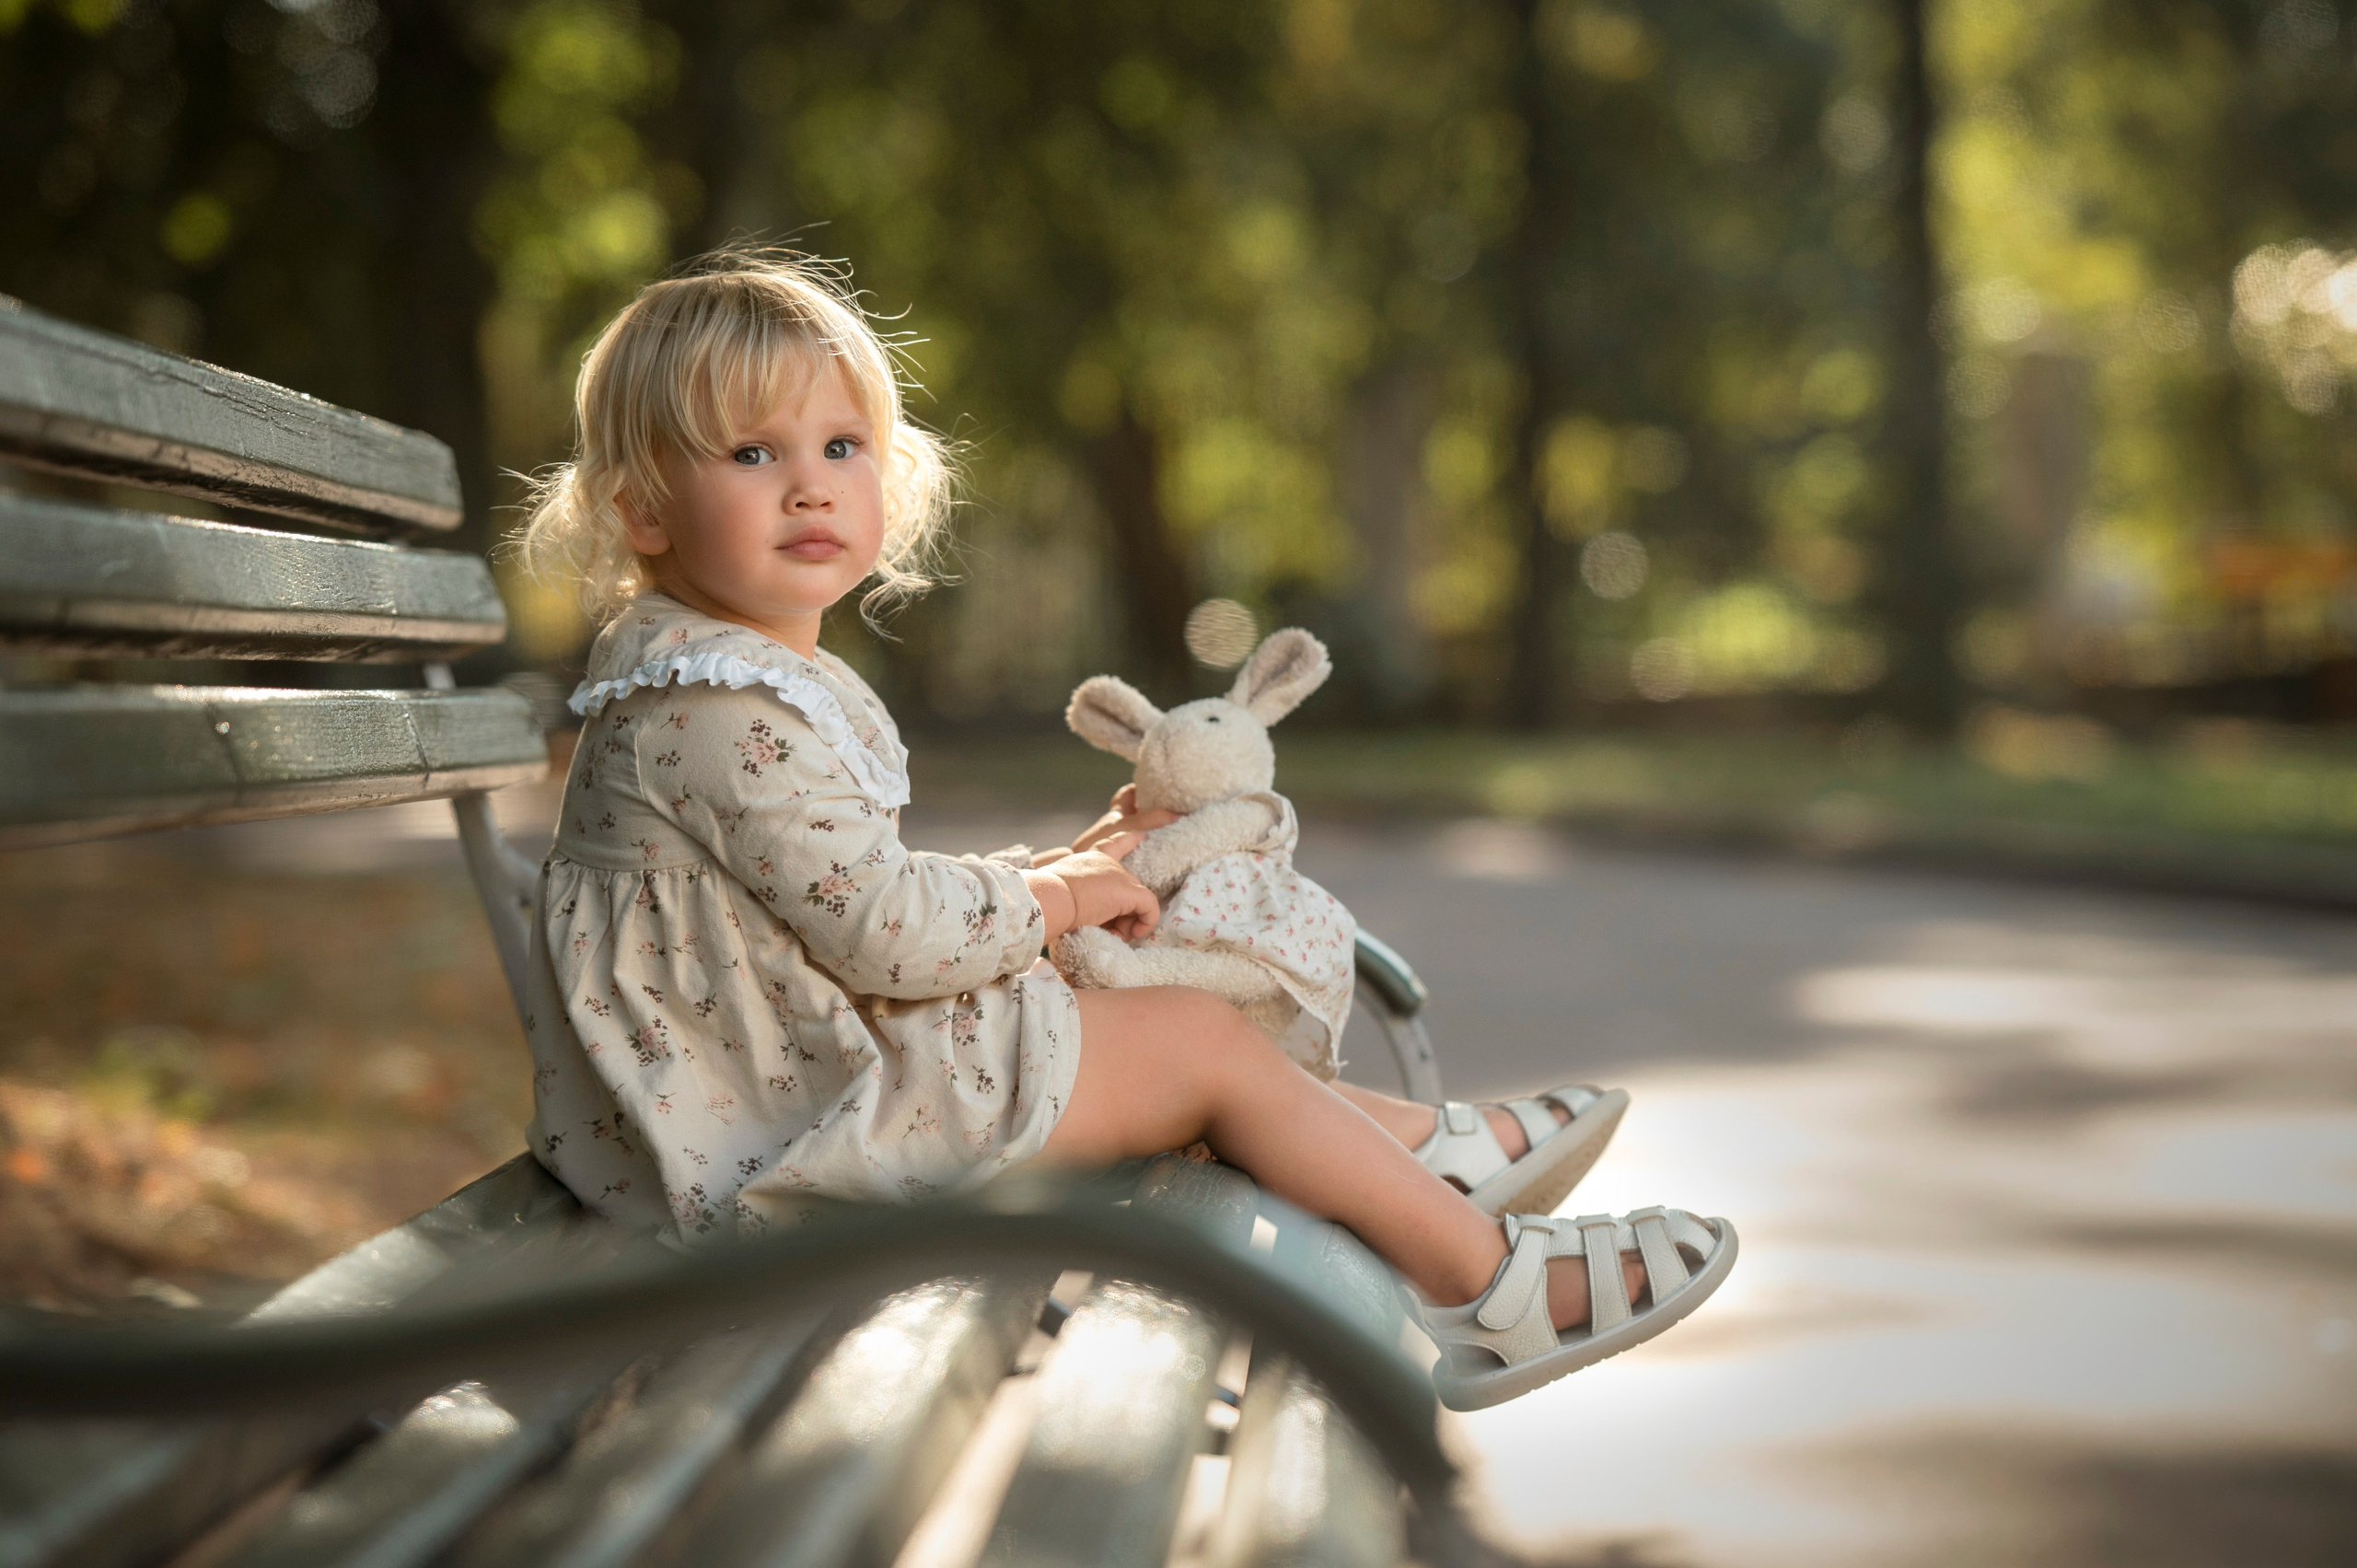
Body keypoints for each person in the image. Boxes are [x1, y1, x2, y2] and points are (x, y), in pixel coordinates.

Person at [511, 251, 1736, 1410]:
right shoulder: (720, 703)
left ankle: (1431, 1158)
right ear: (646, 511)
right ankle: (1487, 1279)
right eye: (750, 451)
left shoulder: (706, 672)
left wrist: (1047, 876)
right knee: (1194, 1047)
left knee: (1161, 1034)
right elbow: (884, 934)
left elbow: (826, 905)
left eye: (840, 443)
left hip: (776, 1090)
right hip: (776, 1142)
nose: (811, 481)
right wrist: (1055, 901)